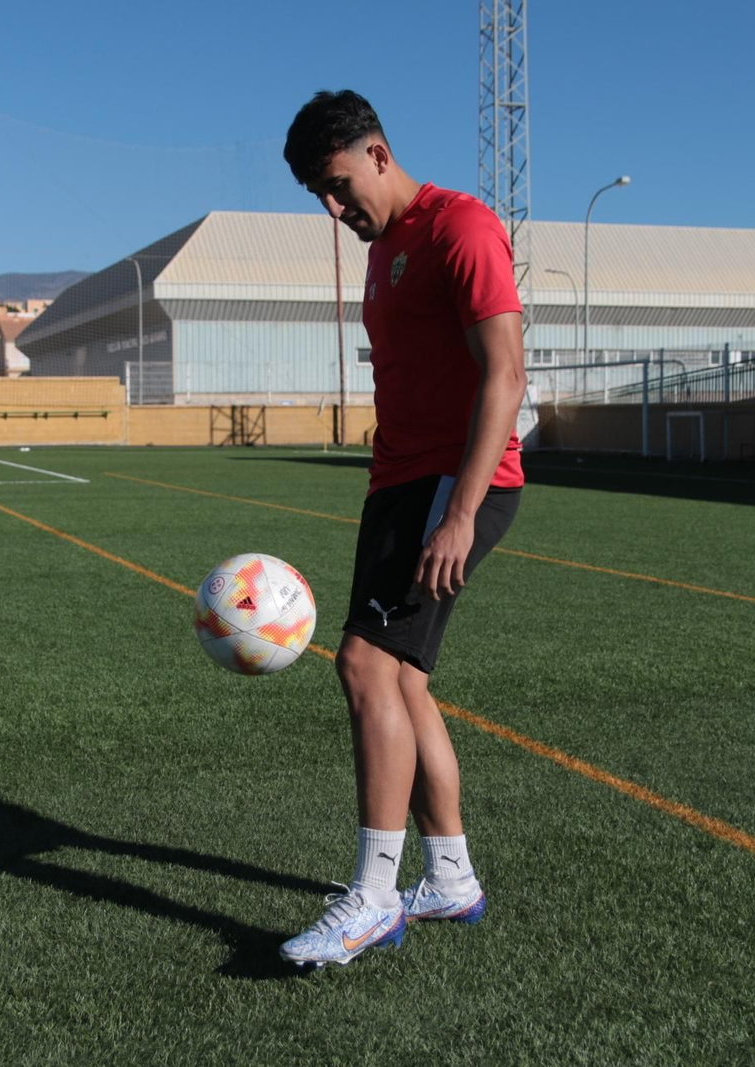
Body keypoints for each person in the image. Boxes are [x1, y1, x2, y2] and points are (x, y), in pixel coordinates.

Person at [278, 90, 528, 969]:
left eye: (339, 185)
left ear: (378, 153)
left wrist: (459, 511)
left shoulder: (462, 228)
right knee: (405, 682)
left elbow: (504, 374)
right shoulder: (384, 253)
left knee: (363, 664)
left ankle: (374, 895)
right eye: (319, 194)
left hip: (455, 487)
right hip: (399, 487)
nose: (334, 209)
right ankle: (450, 875)